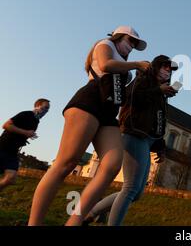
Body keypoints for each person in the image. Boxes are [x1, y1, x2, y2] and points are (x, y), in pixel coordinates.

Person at [28, 26, 150, 226]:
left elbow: (124, 94)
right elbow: (106, 64)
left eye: (135, 45)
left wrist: (146, 82)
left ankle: (74, 222)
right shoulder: (105, 45)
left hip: (110, 111)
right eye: (130, 41)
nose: (132, 47)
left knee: (112, 165)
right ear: (118, 37)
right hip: (89, 101)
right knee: (66, 163)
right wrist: (137, 64)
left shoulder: (126, 65)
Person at [83, 55, 178, 226]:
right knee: (130, 188)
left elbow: (158, 120)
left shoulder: (160, 92)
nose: (167, 71)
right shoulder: (142, 80)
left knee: (137, 193)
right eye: (165, 67)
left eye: (170, 70)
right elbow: (131, 98)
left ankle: (92, 213)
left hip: (148, 139)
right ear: (155, 67)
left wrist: (160, 146)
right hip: (133, 135)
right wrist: (159, 91)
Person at [0, 99, 50, 191]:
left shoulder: (36, 122)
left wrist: (25, 138)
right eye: (45, 108)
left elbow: (23, 134)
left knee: (11, 178)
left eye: (48, 110)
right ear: (37, 106)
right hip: (3, 147)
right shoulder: (26, 114)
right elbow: (6, 125)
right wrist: (26, 132)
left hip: (13, 152)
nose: (46, 111)